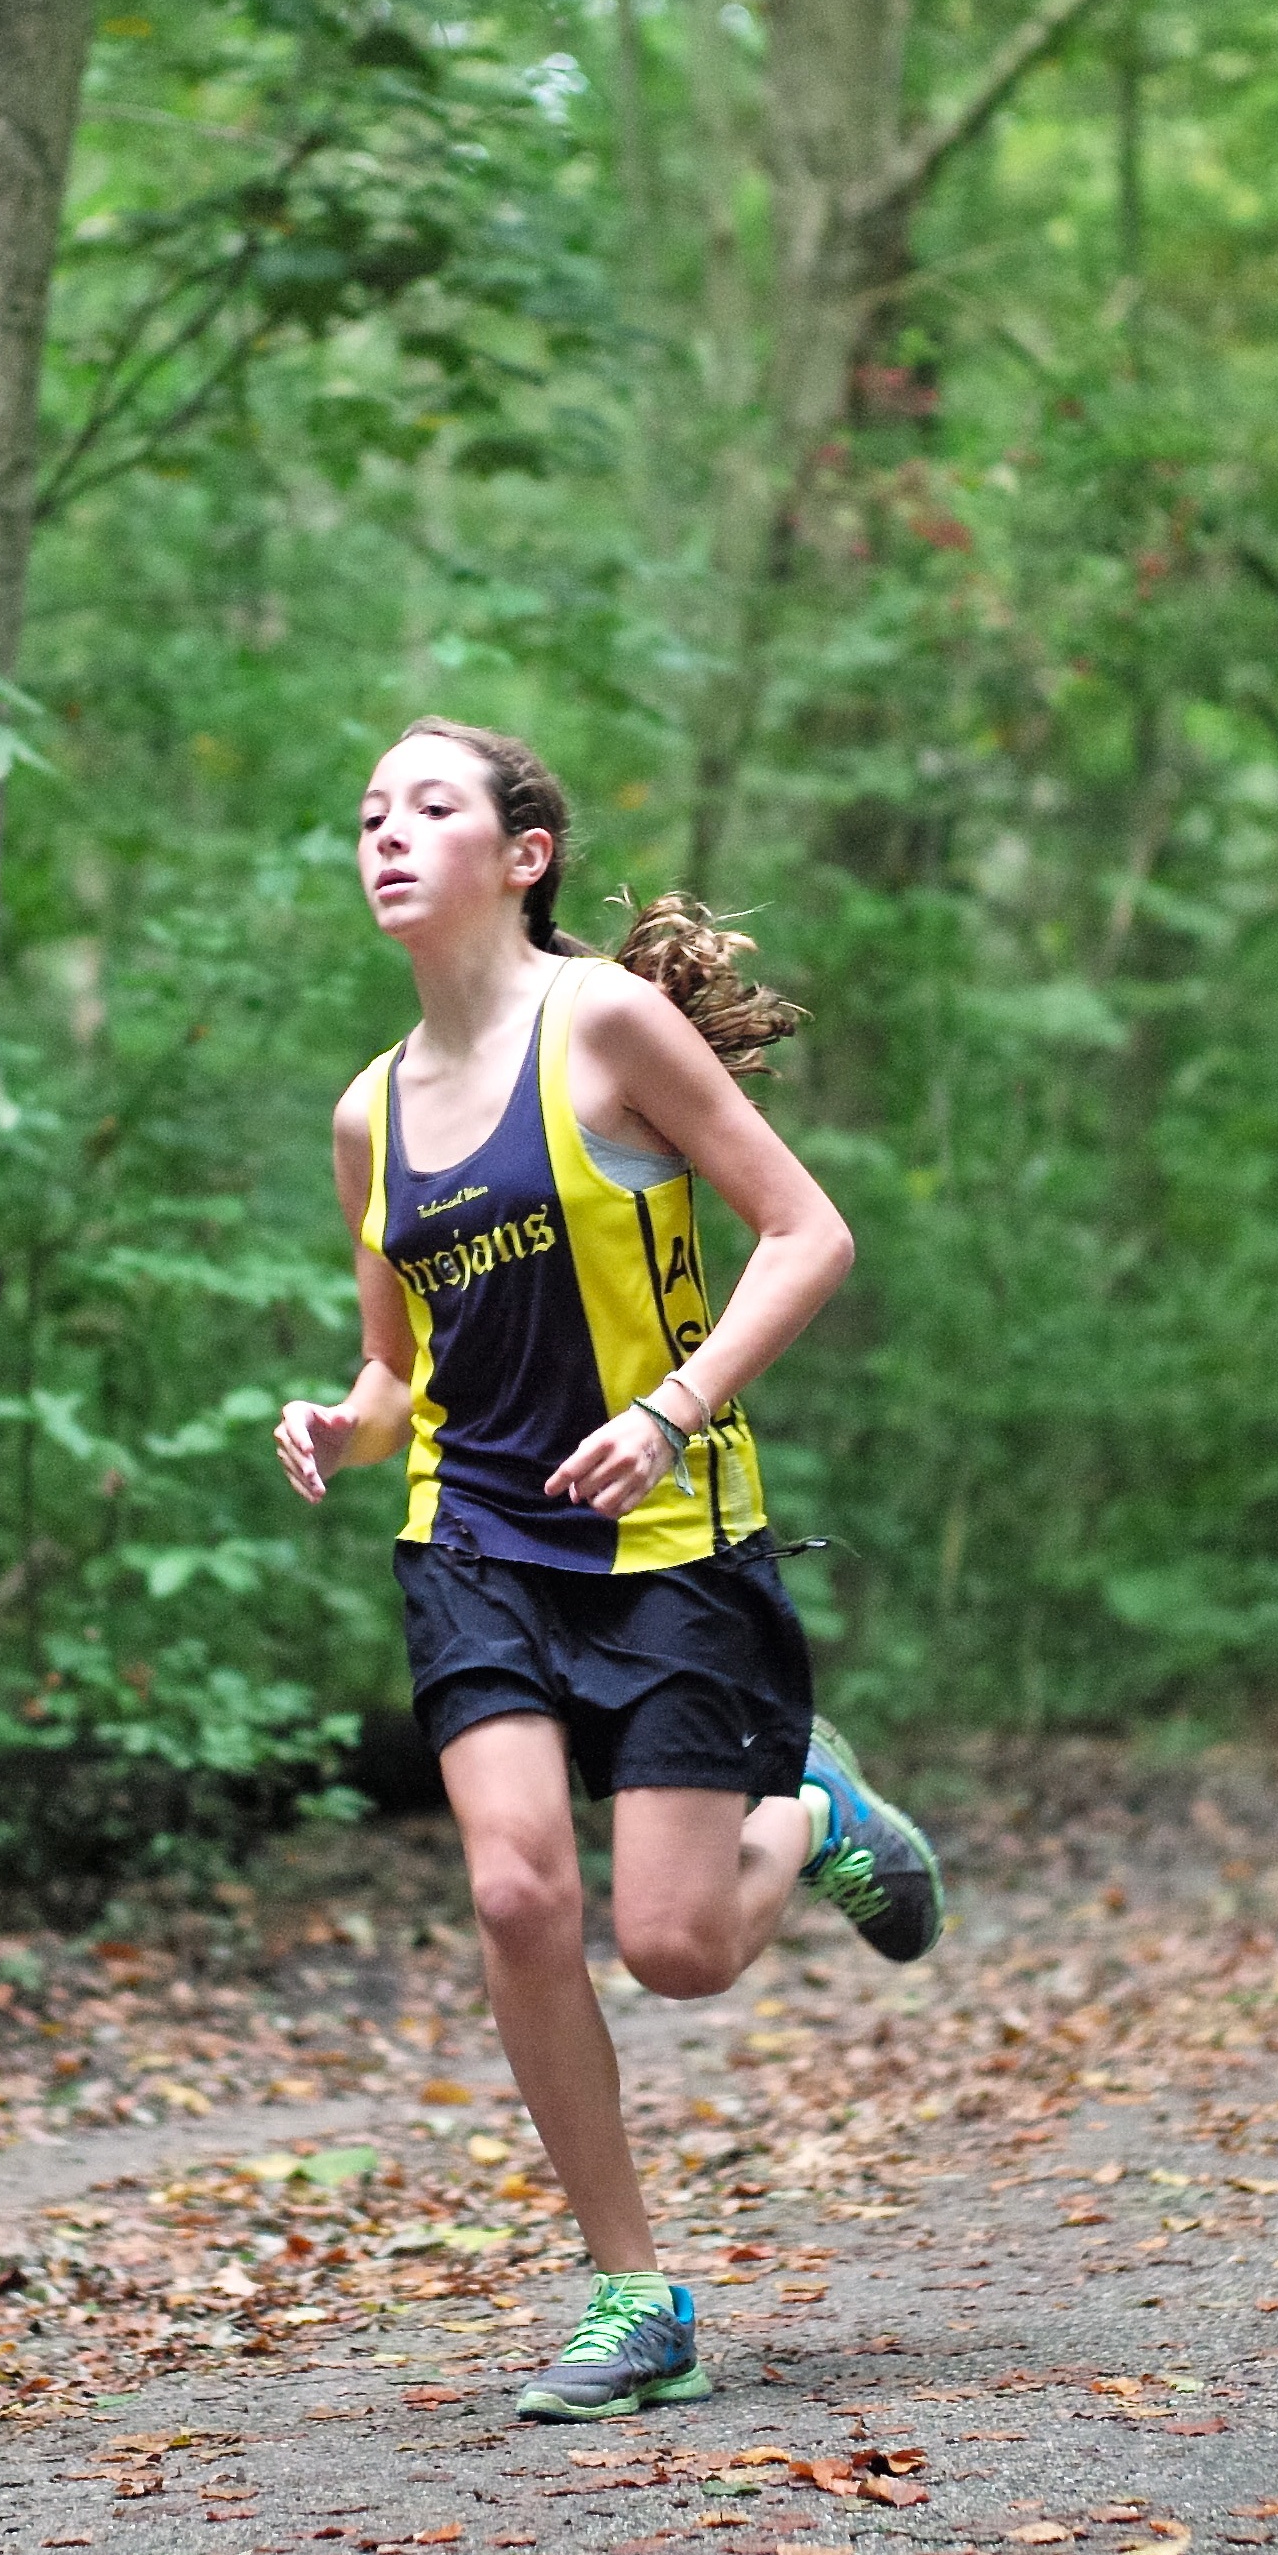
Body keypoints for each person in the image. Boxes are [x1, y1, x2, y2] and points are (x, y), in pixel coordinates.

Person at [271, 721, 946, 2426]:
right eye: (368, 814)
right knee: (514, 1893)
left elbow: (812, 1234)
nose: (387, 834)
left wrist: (670, 1405)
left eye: (432, 806)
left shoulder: (610, 1032)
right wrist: (336, 1429)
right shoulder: (369, 1114)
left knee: (677, 1946)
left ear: (526, 853)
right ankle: (633, 2291)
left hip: (666, 1540)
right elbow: (399, 1375)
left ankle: (811, 1814)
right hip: (476, 1537)